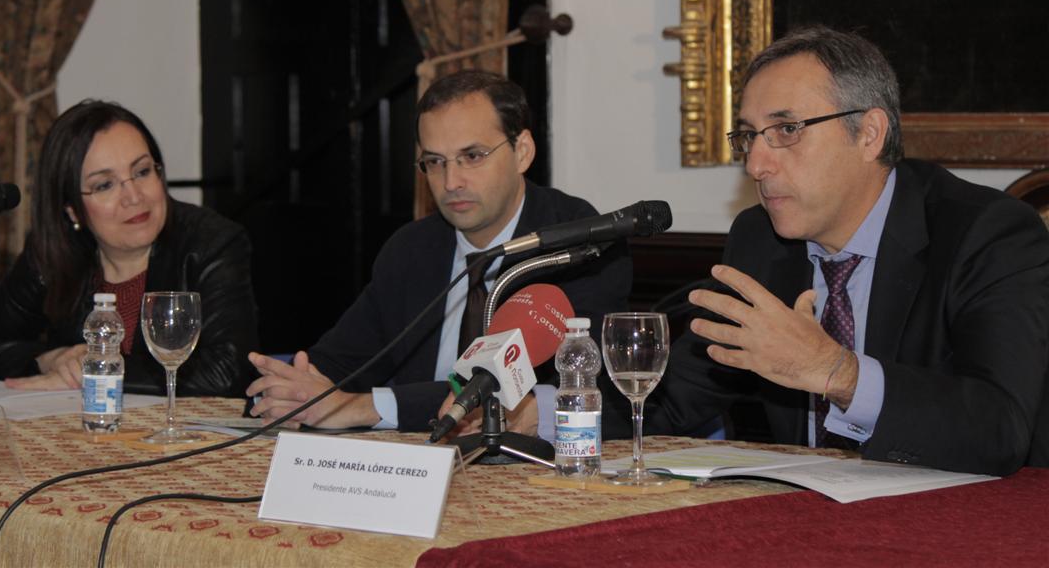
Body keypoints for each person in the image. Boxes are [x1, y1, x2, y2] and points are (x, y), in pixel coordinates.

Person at [644, 25, 1049, 476]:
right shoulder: (761, 240)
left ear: (870, 134)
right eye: (748, 137)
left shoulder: (984, 233)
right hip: (806, 522)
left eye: (786, 129)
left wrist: (838, 374)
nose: (756, 164)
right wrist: (557, 407)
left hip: (958, 523)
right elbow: (672, 400)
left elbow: (1001, 430)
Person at [246, 70, 633, 437]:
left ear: (522, 152)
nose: (451, 182)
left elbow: (534, 396)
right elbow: (341, 364)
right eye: (435, 162)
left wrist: (361, 408)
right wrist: (291, 388)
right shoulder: (413, 249)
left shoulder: (579, 243)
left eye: (473, 156)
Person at [0, 100, 258, 397]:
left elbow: (227, 371)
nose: (133, 197)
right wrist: (47, 359)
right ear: (72, 210)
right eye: (104, 185)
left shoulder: (212, 243)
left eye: (141, 172)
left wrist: (97, 368)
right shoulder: (52, 253)